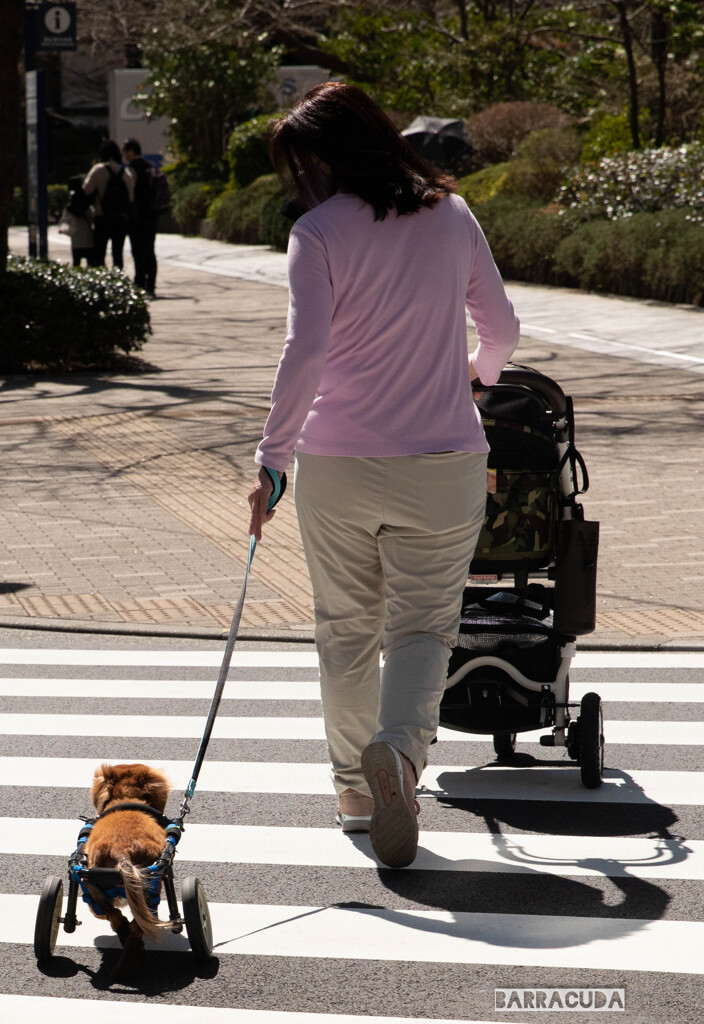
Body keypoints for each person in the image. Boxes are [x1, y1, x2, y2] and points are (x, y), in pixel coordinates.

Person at [247, 83, 520, 869]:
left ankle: (355, 792)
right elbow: (500, 327)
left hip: (336, 463)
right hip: (443, 459)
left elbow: (305, 352)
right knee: (424, 626)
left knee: (345, 629)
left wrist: (271, 457)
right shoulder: (452, 213)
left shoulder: (318, 232)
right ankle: (399, 751)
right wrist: (476, 374)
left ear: (326, 158)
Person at [122, 139, 168, 297]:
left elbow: (129, 194)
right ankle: (151, 285)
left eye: (125, 152)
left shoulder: (131, 169)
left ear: (131, 151)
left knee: (137, 251)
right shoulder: (151, 167)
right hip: (152, 215)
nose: (124, 155)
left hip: (137, 217)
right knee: (150, 250)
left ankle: (140, 282)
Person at [82, 140, 135, 269]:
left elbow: (86, 189)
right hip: (120, 219)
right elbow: (131, 197)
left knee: (99, 254)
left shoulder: (98, 169)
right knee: (118, 254)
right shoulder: (125, 172)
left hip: (101, 217)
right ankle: (119, 282)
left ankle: (100, 283)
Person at [58, 174, 95, 267]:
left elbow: (64, 221)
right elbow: (92, 217)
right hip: (88, 239)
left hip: (76, 240)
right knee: (90, 264)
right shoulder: (86, 206)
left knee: (76, 263)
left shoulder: (70, 208)